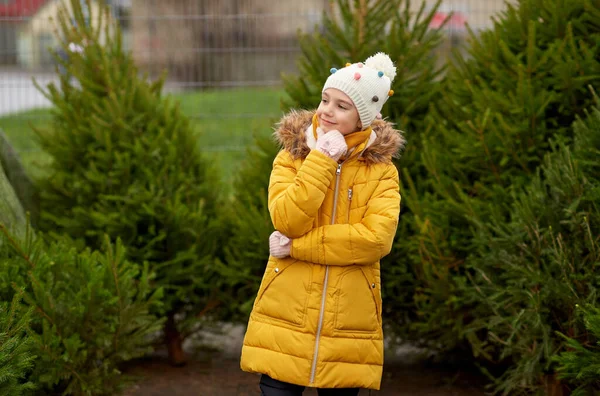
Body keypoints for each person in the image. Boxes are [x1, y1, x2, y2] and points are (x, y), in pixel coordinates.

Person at [240, 52, 405, 395]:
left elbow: (375, 240)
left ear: (365, 117)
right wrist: (321, 160)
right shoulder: (293, 156)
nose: (327, 110)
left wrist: (296, 248)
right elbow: (286, 219)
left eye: (342, 106)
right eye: (325, 99)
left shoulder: (382, 172)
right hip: (286, 310)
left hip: (348, 321)